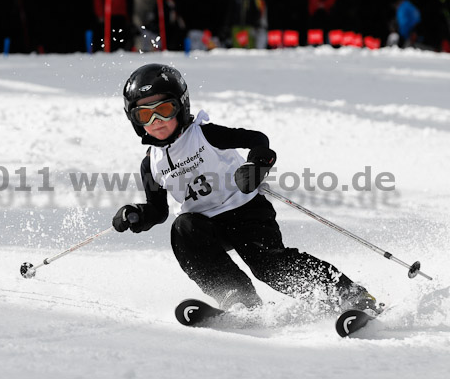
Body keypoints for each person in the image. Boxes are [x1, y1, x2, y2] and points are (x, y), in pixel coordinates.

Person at [112, 63, 380, 313]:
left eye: (165, 109)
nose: (156, 120)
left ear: (181, 106)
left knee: (269, 266)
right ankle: (238, 297)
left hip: (246, 213)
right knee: (183, 229)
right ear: (135, 121)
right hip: (206, 226)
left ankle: (347, 295)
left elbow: (258, 140)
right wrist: (137, 213)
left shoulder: (203, 134)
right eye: (145, 114)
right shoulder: (151, 164)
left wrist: (257, 166)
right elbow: (158, 211)